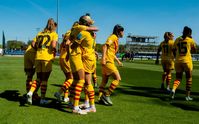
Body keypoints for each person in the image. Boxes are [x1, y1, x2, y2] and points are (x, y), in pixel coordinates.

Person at [69, 14, 98, 114]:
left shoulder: (84, 33)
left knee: (85, 82)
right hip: (91, 58)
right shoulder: (91, 33)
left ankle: (87, 106)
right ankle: (90, 105)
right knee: (87, 82)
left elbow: (73, 46)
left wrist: (71, 40)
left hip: (86, 59)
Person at [27, 18, 58, 105]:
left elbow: (33, 43)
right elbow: (53, 45)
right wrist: (54, 50)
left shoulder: (40, 33)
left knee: (38, 78)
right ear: (53, 26)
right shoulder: (54, 34)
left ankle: (30, 92)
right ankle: (42, 99)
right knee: (44, 80)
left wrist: (38, 49)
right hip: (46, 58)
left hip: (38, 57)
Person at [98, 24, 124, 106]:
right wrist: (103, 58)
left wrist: (118, 61)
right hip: (108, 61)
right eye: (122, 31)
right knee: (117, 79)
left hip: (107, 61)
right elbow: (104, 46)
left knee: (104, 81)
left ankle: (100, 98)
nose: (123, 33)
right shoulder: (113, 37)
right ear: (119, 31)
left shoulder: (115, 38)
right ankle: (107, 95)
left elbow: (111, 52)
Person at [170, 26, 197, 101]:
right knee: (189, 78)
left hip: (178, 61)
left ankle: (173, 89)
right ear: (189, 33)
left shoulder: (177, 39)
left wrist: (176, 57)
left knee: (178, 78)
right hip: (187, 61)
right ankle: (187, 96)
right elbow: (195, 50)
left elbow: (173, 50)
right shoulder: (191, 40)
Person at [54, 32, 73, 103]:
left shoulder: (64, 39)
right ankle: (59, 92)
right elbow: (69, 45)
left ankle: (65, 97)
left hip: (62, 58)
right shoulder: (72, 34)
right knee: (72, 79)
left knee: (68, 79)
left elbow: (62, 46)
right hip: (67, 59)